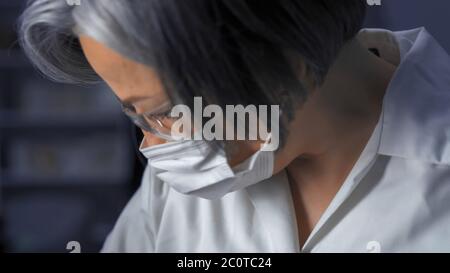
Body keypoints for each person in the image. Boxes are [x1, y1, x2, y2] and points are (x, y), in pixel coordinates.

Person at [19, 0, 450, 252]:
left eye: (163, 110)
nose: (153, 144)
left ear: (282, 62)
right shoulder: (180, 185)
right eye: (136, 115)